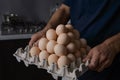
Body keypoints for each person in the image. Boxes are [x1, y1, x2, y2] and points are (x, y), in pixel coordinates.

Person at [29, 0, 120, 80]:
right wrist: (47, 29)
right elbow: (65, 9)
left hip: (109, 67)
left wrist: (112, 45)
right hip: (72, 66)